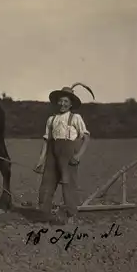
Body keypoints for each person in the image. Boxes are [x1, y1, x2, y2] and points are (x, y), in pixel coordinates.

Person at [34, 86, 91, 224]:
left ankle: (70, 216)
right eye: (60, 101)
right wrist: (41, 160)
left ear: (71, 104)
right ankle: (45, 215)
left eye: (66, 101)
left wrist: (78, 156)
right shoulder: (51, 120)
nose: (63, 104)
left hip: (68, 153)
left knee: (68, 183)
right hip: (52, 153)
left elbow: (86, 138)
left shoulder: (75, 118)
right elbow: (47, 141)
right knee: (47, 182)